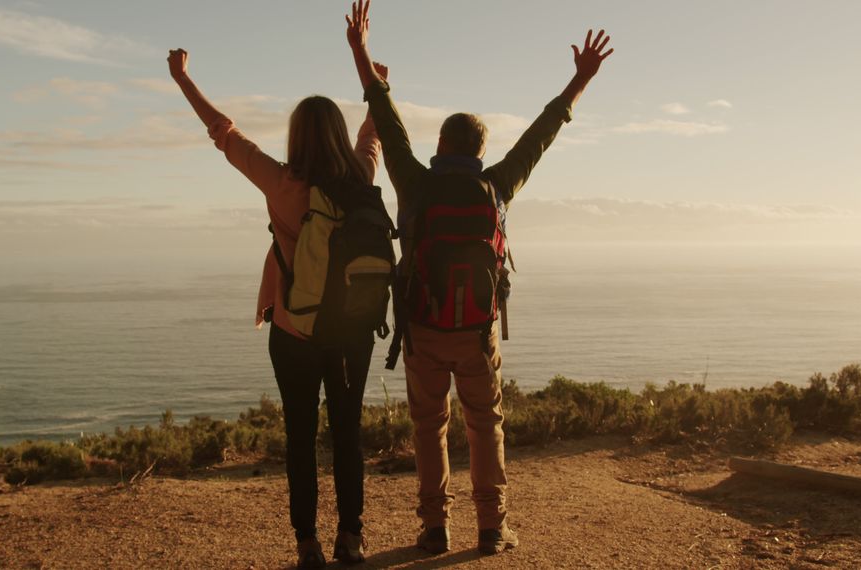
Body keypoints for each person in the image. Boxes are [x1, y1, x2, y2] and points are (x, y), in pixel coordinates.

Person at [344, 0, 614, 556]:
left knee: (429, 428)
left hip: (421, 328)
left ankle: (434, 528)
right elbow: (543, 134)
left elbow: (386, 119)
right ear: (481, 151)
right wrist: (579, 81)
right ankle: (492, 528)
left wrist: (361, 49)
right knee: (484, 424)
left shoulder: (414, 182)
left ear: (440, 146)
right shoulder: (498, 184)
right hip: (476, 330)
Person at [167, 48, 389, 568]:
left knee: (299, 437)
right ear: (335, 134)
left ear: (296, 137)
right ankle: (351, 537)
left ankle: (307, 542)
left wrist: (183, 78)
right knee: (348, 435)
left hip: (294, 331)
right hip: (353, 331)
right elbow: (372, 135)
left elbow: (223, 132)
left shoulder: (280, 182)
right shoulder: (361, 177)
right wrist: (378, 88)